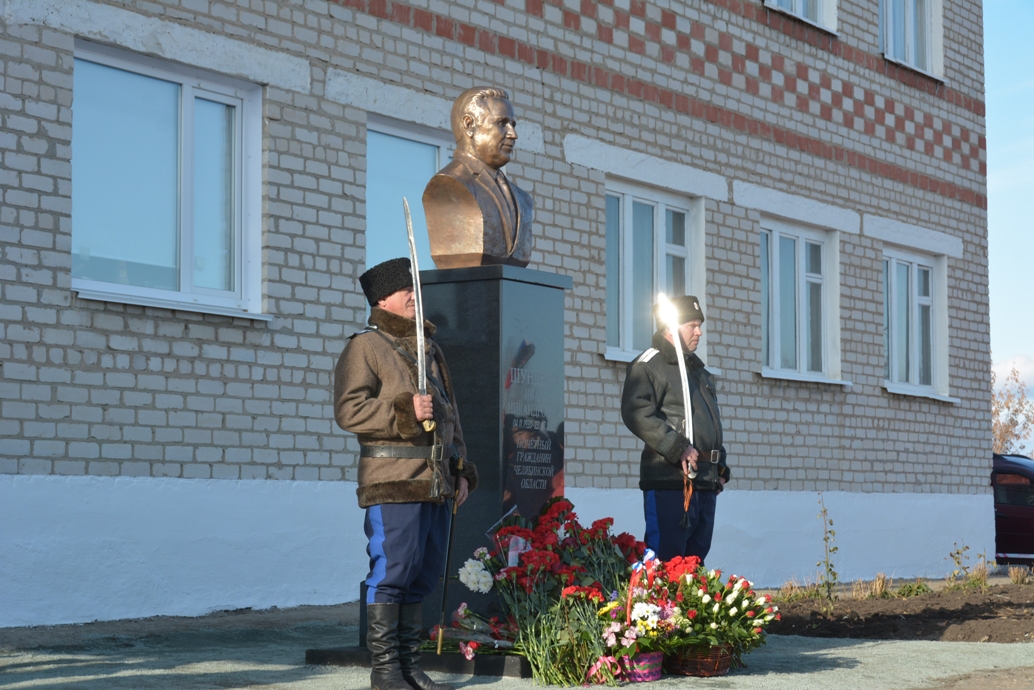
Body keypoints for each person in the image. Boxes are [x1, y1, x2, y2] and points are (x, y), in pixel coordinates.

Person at [334, 257, 478, 690]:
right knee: (392, 572)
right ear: (382, 298)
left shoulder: (430, 349)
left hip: (435, 480)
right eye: (405, 290)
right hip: (393, 479)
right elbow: (349, 409)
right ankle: (385, 673)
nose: (415, 295)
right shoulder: (366, 346)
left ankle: (409, 666)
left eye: (415, 288)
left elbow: (451, 416)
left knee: (421, 574)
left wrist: (462, 469)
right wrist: (405, 410)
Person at [620, 295, 729, 562]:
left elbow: (708, 423)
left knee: (694, 566)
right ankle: (652, 606)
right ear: (671, 326)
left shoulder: (699, 372)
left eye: (699, 325)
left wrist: (720, 466)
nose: (699, 332)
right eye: (692, 325)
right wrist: (677, 447)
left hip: (704, 482)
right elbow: (636, 412)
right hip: (670, 482)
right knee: (664, 561)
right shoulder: (649, 365)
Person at [422, 86, 534, 268]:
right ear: (469, 125)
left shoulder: (524, 200)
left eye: (512, 124)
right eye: (501, 123)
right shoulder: (448, 184)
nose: (513, 134)